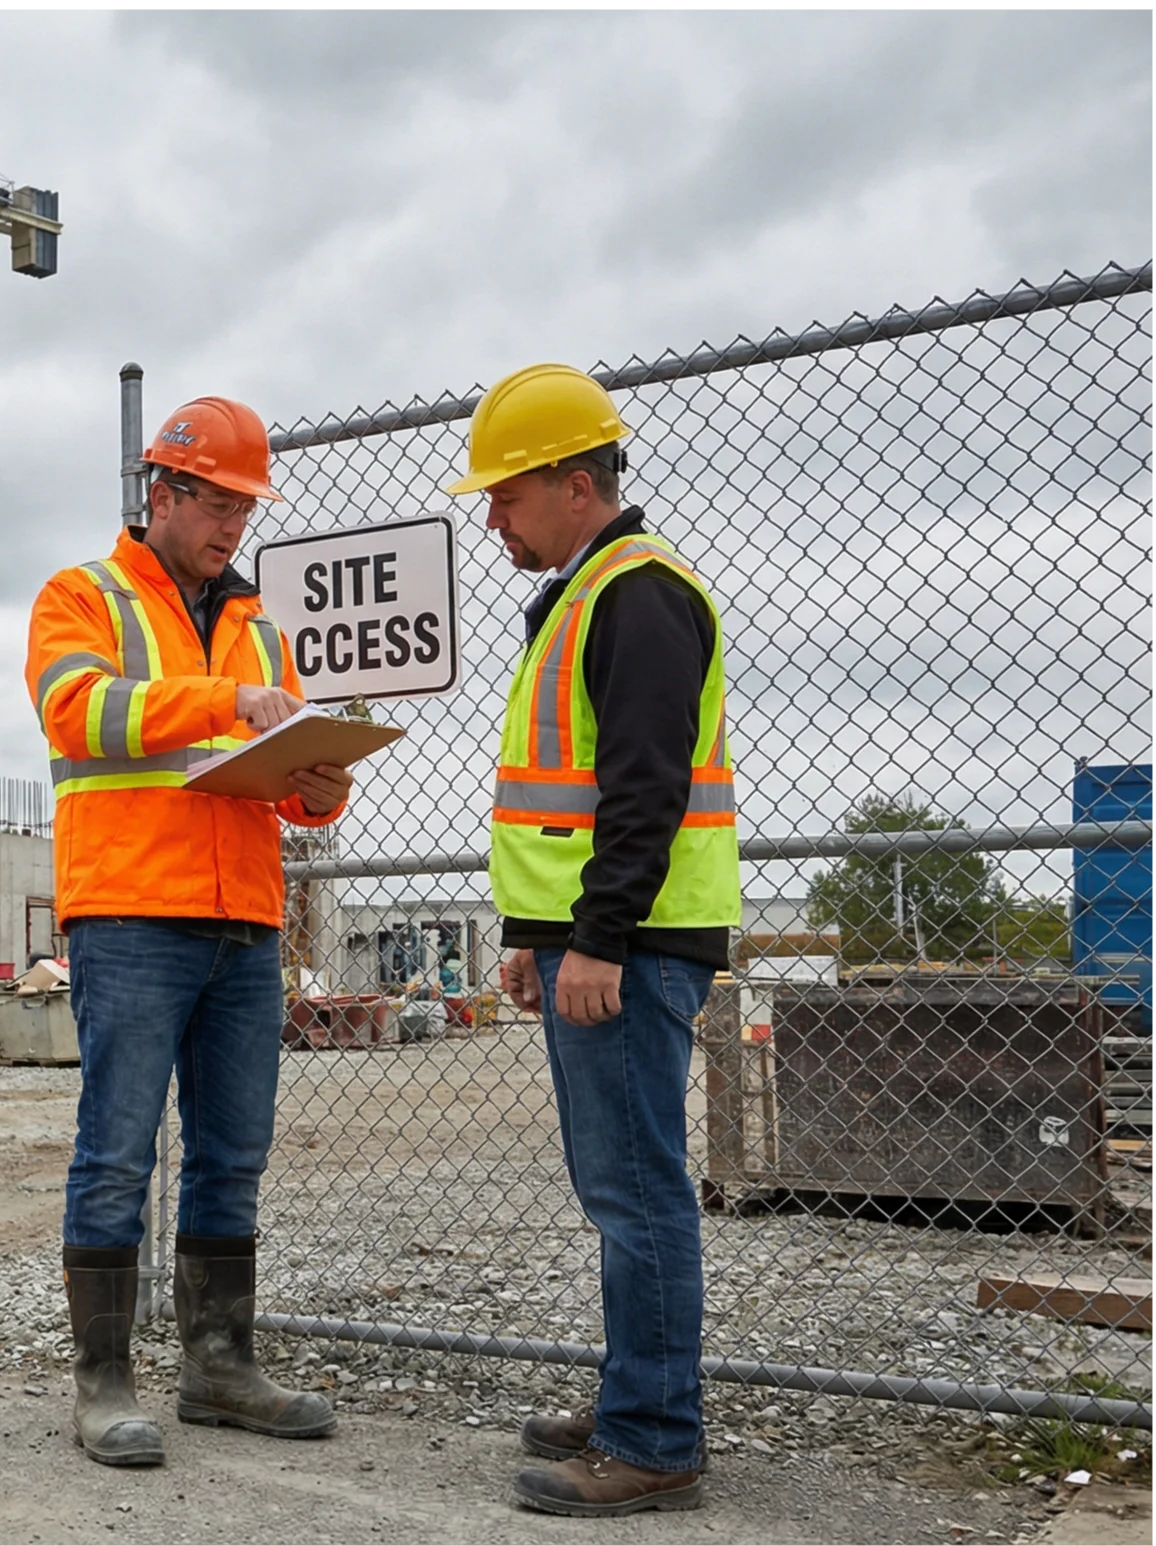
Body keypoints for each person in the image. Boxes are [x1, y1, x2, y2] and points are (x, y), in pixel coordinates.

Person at [25, 395, 353, 1468]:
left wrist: (317, 783)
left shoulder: (259, 626)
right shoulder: (82, 596)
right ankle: (103, 1383)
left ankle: (218, 1366)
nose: (230, 526)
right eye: (214, 502)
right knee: (116, 1153)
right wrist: (228, 701)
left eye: (243, 507)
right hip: (130, 911)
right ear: (158, 494)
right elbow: (81, 713)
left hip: (244, 917)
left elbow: (290, 779)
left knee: (231, 1158)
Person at [446, 364, 739, 1516]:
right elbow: (559, 799)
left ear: (576, 484)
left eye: (506, 496)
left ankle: (654, 1436)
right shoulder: (591, 591)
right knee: (620, 1184)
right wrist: (533, 932)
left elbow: (642, 787)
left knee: (636, 1191)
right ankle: (636, 1398)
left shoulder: (637, 593)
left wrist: (601, 940)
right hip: (604, 936)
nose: (491, 519)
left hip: (636, 941)